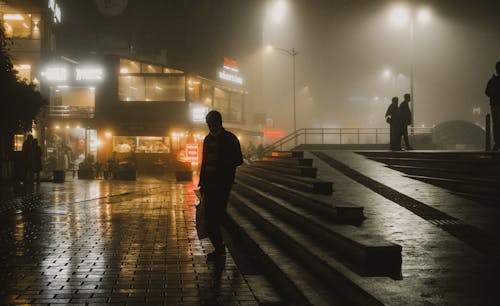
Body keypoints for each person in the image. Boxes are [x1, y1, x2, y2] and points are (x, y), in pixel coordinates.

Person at [199, 110, 243, 261]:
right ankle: (221, 245)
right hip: (209, 183)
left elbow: (238, 159)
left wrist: (223, 166)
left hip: (222, 183)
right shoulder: (207, 139)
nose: (209, 126)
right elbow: (204, 162)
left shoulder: (230, 139)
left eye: (211, 123)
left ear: (218, 122)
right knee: (213, 216)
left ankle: (229, 240)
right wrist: (202, 182)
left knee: (216, 215)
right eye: (208, 123)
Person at [485, 61, 500, 151]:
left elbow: (487, 92)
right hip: (495, 105)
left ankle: (497, 143)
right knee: (497, 124)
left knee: (496, 124)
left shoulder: (492, 81)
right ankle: (498, 143)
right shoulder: (493, 81)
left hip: (494, 105)